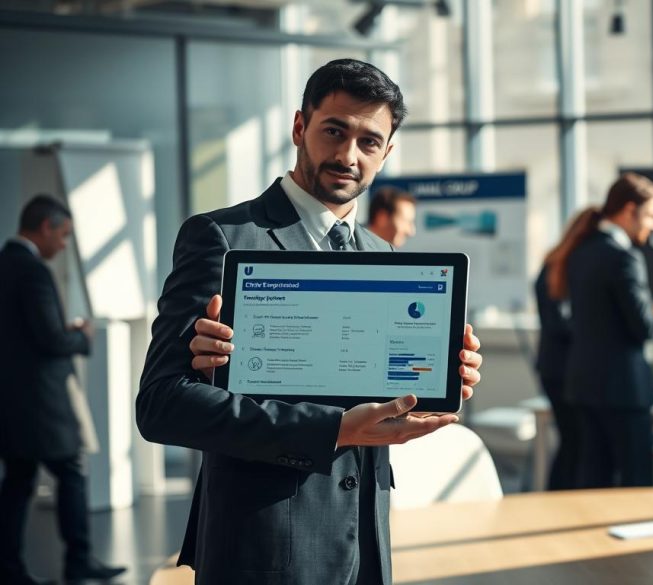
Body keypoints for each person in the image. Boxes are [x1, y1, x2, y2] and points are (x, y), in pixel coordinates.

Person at [136, 59, 483, 585]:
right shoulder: (224, 237)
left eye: (369, 142)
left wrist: (441, 374)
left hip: (363, 549)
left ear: (386, 154)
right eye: (334, 131)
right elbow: (162, 404)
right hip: (263, 552)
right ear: (300, 127)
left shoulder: (383, 254)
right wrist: (334, 429)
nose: (348, 155)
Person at [0, 195, 126, 585]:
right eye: (64, 235)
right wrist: (81, 335)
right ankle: (78, 563)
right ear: (46, 227)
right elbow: (50, 340)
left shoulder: (4, 264)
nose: (64, 245)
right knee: (70, 473)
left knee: (18, 483)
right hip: (42, 402)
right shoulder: (34, 272)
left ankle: (9, 569)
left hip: (9, 400)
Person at [564, 173, 653, 489]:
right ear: (630, 210)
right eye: (652, 216)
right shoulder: (624, 257)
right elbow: (642, 327)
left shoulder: (579, 251)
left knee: (593, 483)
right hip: (625, 391)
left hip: (586, 386)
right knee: (636, 485)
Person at [533, 206, 599, 490]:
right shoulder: (564, 265)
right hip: (563, 369)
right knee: (575, 441)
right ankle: (558, 495)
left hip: (552, 367)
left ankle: (557, 494)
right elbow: (560, 323)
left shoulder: (554, 261)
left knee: (572, 440)